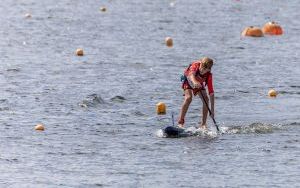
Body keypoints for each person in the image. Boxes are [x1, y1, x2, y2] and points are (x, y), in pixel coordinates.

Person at [178, 57, 215, 129]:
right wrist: (195, 82)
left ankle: (203, 125)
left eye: (204, 70)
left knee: (206, 100)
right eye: (201, 67)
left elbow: (211, 93)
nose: (201, 70)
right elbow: (191, 76)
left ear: (208, 69)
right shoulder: (195, 65)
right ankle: (180, 123)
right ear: (200, 64)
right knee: (188, 98)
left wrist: (212, 111)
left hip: (198, 83)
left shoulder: (209, 75)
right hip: (188, 80)